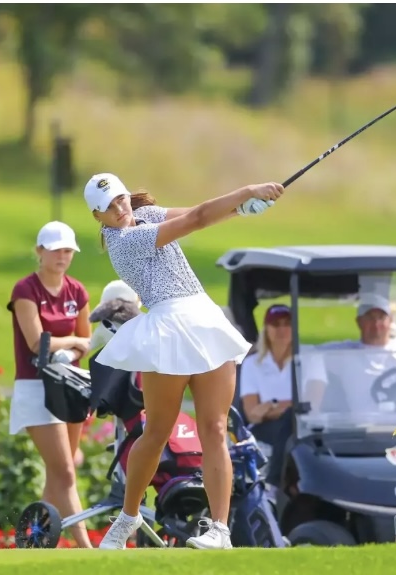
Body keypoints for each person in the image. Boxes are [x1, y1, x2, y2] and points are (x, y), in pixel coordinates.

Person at [83, 172, 284, 550]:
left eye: (122, 199)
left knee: (215, 428)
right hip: (168, 325)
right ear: (99, 217)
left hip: (203, 318)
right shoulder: (124, 241)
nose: (120, 208)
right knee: (157, 430)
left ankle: (220, 531)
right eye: (109, 207)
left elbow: (196, 211)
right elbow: (196, 220)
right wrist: (247, 191)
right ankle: (128, 517)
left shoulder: (148, 216)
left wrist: (243, 209)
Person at [7, 220, 93, 548]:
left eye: (68, 250)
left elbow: (87, 339)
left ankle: (35, 541)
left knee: (59, 475)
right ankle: (87, 549)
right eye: (55, 249)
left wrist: (67, 346)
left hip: (69, 388)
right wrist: (70, 343)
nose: (62, 255)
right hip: (34, 389)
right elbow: (34, 343)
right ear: (39, 252)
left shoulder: (78, 291)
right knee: (66, 473)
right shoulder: (25, 290)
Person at [238, 304, 326, 487]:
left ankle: (275, 482)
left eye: (287, 323)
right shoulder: (253, 364)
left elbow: (311, 405)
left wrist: (270, 405)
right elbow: (252, 413)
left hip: (302, 425)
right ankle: (276, 482)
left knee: (290, 422)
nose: (282, 329)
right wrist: (291, 405)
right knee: (288, 422)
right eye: (275, 324)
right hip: (265, 428)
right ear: (266, 329)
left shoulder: (310, 357)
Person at [317, 293, 396, 416]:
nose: (376, 324)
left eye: (381, 318)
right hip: (367, 431)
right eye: (370, 318)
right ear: (359, 322)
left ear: (390, 321)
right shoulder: (345, 353)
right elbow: (308, 354)